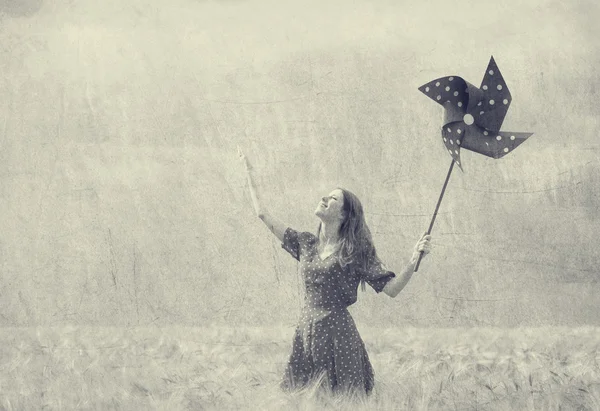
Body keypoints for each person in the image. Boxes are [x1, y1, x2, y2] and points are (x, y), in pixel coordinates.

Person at [238, 147, 431, 396]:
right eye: (326, 195)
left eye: (334, 199)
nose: (325, 199)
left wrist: (415, 260)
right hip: (307, 334)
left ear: (344, 214)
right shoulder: (305, 243)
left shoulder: (354, 251)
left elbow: (392, 289)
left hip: (339, 339)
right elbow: (262, 214)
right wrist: (249, 171)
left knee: (345, 402)